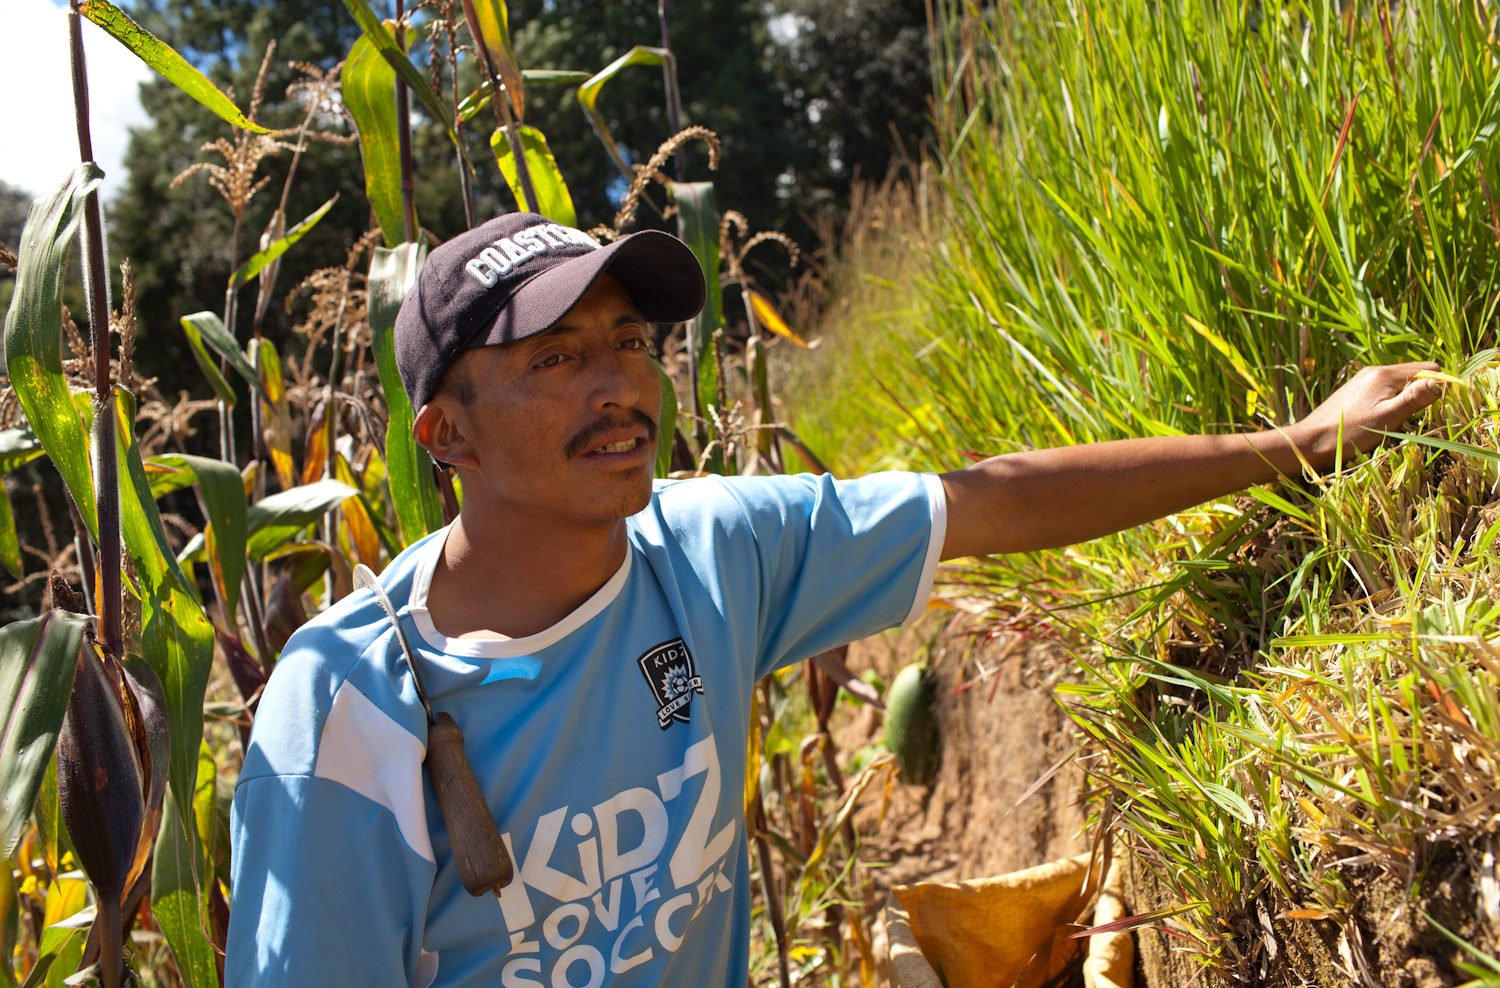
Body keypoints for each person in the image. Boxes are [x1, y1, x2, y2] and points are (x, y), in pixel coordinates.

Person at [226, 212, 1441, 987]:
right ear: (448, 436)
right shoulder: (344, 718)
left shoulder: (709, 555)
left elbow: (996, 503)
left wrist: (1302, 440)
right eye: (554, 358)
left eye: (632, 340)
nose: (618, 385)